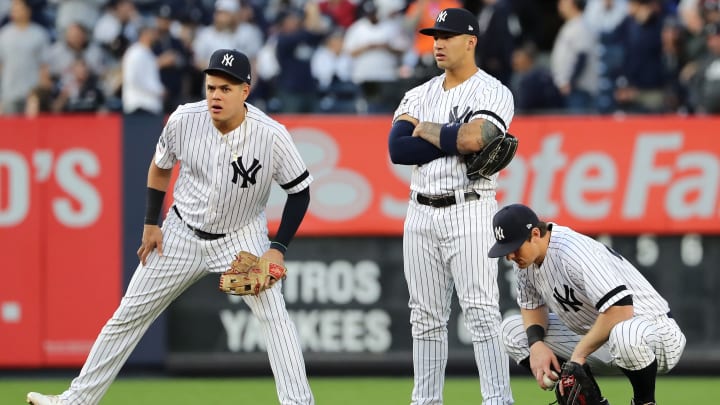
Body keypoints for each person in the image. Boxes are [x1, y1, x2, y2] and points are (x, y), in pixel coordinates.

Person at [26, 48, 315, 405]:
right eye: (211, 87)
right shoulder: (184, 119)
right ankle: (75, 401)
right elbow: (161, 166)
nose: (215, 96)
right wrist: (151, 222)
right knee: (127, 316)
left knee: (275, 318)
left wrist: (277, 248)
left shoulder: (271, 135)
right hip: (181, 233)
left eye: (226, 88)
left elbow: (300, 192)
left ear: (245, 91)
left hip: (241, 236)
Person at [387, 7, 514, 405]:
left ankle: (498, 401)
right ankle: (425, 402)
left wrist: (425, 128)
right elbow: (398, 148)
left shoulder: (493, 91)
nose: (438, 42)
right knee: (424, 318)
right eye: (435, 36)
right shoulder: (418, 92)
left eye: (447, 36)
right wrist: (450, 137)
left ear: (470, 41)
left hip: (470, 206)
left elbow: (480, 138)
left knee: (481, 312)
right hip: (420, 211)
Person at [490, 203, 686, 405]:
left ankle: (645, 402)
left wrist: (578, 356)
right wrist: (536, 344)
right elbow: (532, 306)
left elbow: (621, 310)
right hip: (601, 339)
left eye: (514, 247)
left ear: (536, 234)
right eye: (506, 249)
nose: (510, 256)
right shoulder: (525, 262)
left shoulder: (572, 251)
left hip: (655, 332)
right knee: (511, 331)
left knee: (625, 334)